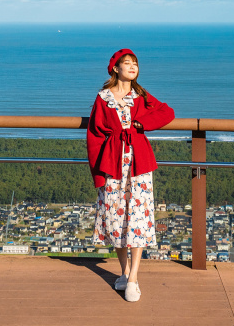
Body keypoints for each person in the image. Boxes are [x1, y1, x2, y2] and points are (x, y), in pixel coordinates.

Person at [86, 48, 175, 302]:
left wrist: (143, 124)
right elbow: (94, 137)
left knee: (137, 219)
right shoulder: (103, 98)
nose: (133, 67)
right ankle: (124, 273)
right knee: (116, 219)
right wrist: (98, 174)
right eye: (128, 63)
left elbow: (167, 112)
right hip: (113, 164)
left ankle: (133, 279)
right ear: (115, 68)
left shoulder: (141, 95)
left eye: (135, 63)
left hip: (138, 166)